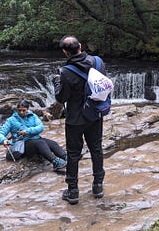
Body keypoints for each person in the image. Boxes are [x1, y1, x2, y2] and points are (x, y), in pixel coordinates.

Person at [53, 35, 106, 205]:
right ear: (80, 46)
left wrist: (56, 82)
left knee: (74, 154)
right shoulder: (98, 62)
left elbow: (61, 98)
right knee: (96, 149)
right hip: (95, 114)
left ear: (65, 52)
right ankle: (98, 186)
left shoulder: (65, 72)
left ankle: (73, 191)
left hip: (75, 119)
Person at [0, 100, 67, 170]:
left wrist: (27, 131)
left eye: (24, 110)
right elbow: (0, 134)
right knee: (40, 143)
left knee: (52, 143)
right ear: (17, 110)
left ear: (28, 109)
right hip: (22, 144)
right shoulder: (11, 120)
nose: (21, 112)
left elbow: (41, 127)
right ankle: (55, 161)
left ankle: (65, 157)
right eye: (19, 110)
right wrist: (3, 140)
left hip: (36, 140)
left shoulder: (33, 116)